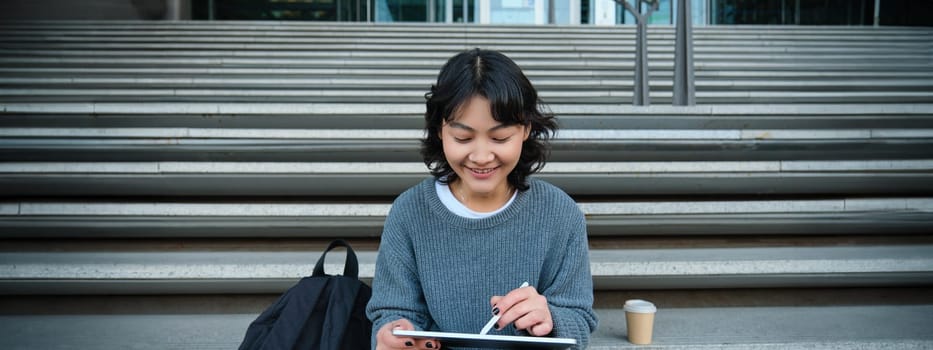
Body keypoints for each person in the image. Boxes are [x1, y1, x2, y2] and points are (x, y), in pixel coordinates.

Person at [366, 48, 598, 350]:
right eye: (463, 138)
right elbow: (392, 313)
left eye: (500, 138)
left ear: (526, 129)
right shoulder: (410, 211)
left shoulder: (559, 213)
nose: (481, 156)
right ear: (440, 131)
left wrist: (550, 318)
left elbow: (578, 321)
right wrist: (395, 332)